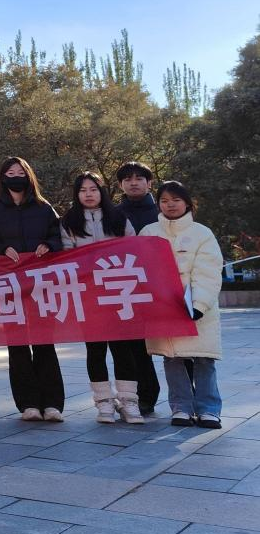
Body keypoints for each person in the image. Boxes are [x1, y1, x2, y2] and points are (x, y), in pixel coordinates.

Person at [0, 157, 64, 422]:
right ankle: (28, 404)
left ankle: (52, 404)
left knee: (44, 343)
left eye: (20, 172)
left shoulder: (43, 208)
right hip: (8, 286)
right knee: (17, 346)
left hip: (40, 286)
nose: (15, 177)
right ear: (2, 178)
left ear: (29, 176)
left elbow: (58, 235)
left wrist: (49, 244)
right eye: (10, 173)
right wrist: (1, 249)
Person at [140, 181, 225, 429]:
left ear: (187, 203)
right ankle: (181, 408)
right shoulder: (148, 232)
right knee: (172, 358)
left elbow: (208, 272)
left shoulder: (202, 233)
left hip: (198, 309)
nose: (170, 205)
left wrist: (199, 304)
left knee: (204, 359)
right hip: (164, 308)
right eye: (164, 201)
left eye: (176, 200)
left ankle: (209, 409)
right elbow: (140, 270)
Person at [60, 172, 141, 424]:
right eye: (83, 190)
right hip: (89, 297)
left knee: (123, 349)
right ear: (77, 194)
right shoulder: (69, 221)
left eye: (93, 189)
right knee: (95, 351)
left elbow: (134, 250)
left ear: (102, 191)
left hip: (118, 294)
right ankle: (103, 402)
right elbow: (66, 257)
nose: (88, 194)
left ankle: (129, 401)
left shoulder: (118, 217)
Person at [115, 161, 162, 415]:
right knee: (135, 347)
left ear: (149, 183)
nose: (133, 183)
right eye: (127, 179)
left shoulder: (164, 210)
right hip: (127, 289)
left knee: (177, 346)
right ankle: (145, 396)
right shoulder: (114, 214)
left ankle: (188, 401)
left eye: (139, 178)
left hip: (161, 287)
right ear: (120, 185)